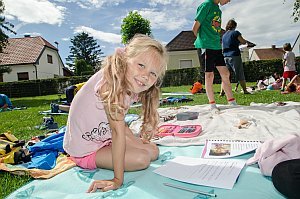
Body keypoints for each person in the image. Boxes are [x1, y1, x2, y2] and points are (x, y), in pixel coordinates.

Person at [63, 34, 167, 192]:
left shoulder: (129, 83)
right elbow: (117, 132)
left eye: (153, 73)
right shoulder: (110, 83)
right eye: (141, 65)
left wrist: (136, 142)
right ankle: (98, 162)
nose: (146, 75)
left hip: (105, 139)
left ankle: (130, 149)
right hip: (85, 150)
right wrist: (117, 179)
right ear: (126, 59)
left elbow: (120, 122)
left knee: (153, 151)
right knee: (142, 159)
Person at [192, 0, 237, 114]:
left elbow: (215, 28)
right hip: (206, 46)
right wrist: (203, 40)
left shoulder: (218, 10)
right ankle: (212, 104)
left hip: (216, 46)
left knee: (225, 73)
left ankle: (231, 101)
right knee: (209, 75)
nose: (229, 1)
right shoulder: (206, 5)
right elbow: (195, 27)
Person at [221, 19, 254, 94]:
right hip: (234, 55)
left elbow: (223, 46)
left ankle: (222, 92)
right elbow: (243, 41)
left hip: (225, 56)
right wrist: (243, 42)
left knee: (225, 76)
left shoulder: (224, 35)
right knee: (239, 73)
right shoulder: (235, 33)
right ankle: (245, 91)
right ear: (234, 26)